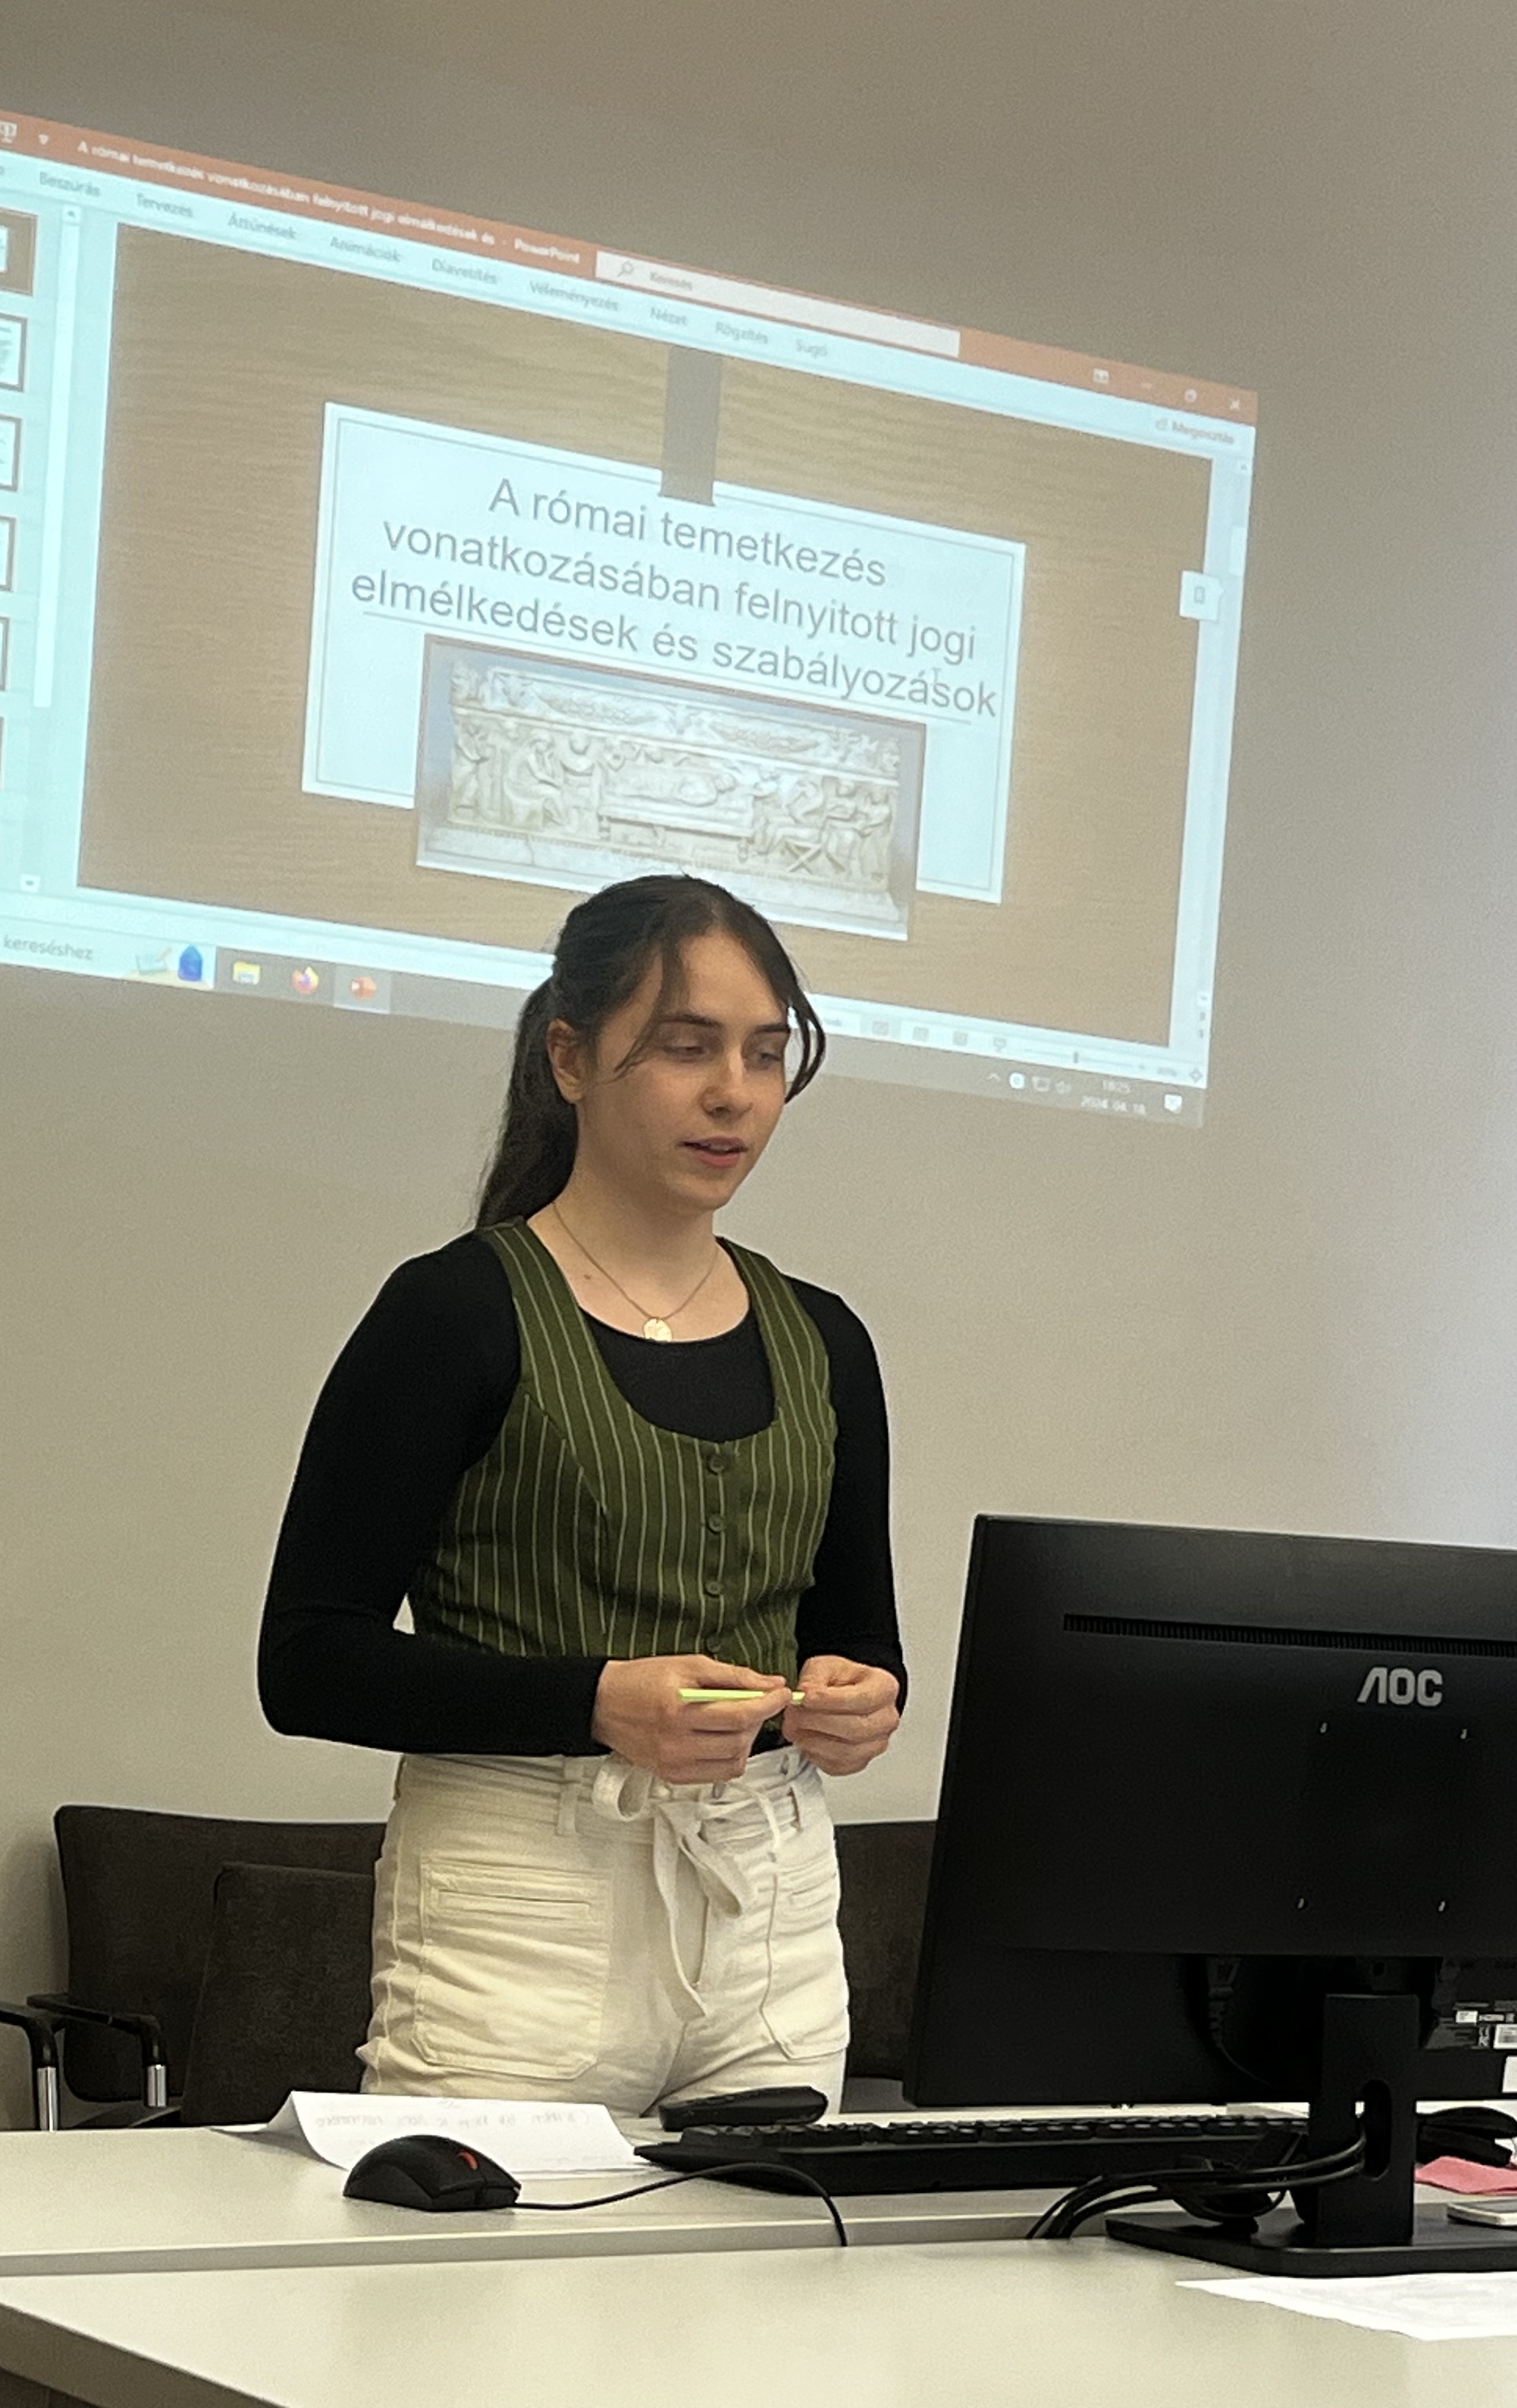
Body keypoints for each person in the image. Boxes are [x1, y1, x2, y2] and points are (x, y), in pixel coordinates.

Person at [257, 875, 903, 2113]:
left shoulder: (825, 1339)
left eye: (766, 1053)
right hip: (519, 1904)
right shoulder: (453, 1312)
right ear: (569, 1058)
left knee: (773, 2244)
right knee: (497, 2245)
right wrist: (594, 1701)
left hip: (769, 1902)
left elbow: (860, 1638)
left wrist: (858, 1701)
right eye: (686, 1047)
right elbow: (308, 1662)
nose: (735, 1092)